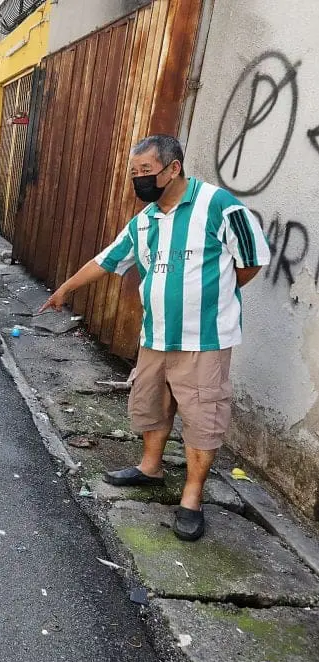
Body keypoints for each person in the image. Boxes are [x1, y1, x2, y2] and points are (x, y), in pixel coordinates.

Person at [39, 134, 270, 541]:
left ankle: (192, 498)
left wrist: (212, 296)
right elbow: (106, 260)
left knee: (202, 417)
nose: (139, 179)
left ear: (173, 168)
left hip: (204, 340)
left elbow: (251, 261)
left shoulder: (217, 205)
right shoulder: (144, 221)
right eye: (134, 172)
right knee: (151, 405)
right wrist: (66, 289)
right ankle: (150, 467)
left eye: (146, 171)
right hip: (155, 336)